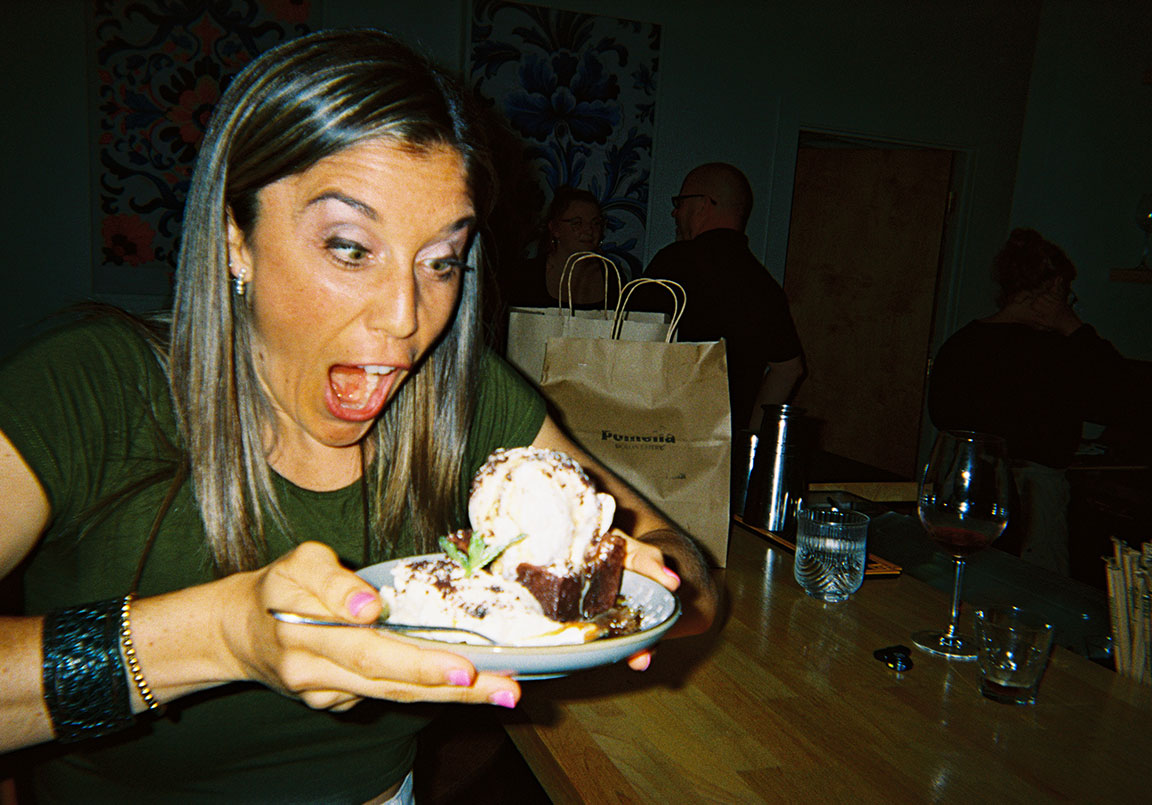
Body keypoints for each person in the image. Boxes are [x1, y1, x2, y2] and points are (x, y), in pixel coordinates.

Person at [0, 29, 716, 804]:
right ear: (235, 236)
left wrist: (646, 584)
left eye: (442, 261)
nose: (408, 317)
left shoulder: (462, 396)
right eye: (350, 247)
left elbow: (691, 572)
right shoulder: (86, 384)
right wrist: (223, 634)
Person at [928, 228, 1152, 575]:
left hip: (967, 487)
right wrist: (1073, 326)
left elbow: (941, 415)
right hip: (1036, 499)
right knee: (1037, 591)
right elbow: (1133, 398)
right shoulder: (1056, 351)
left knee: (964, 579)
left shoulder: (961, 344)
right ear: (1053, 289)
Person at [641, 162, 806, 433]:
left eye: (680, 202)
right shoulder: (764, 285)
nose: (675, 211)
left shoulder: (672, 263)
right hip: (722, 453)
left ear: (704, 205)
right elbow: (790, 369)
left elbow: (629, 346)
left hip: (661, 438)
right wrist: (748, 438)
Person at [499, 186, 623, 310]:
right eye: (577, 223)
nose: (589, 230)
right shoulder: (526, 276)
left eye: (595, 223)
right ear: (555, 228)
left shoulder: (612, 277)